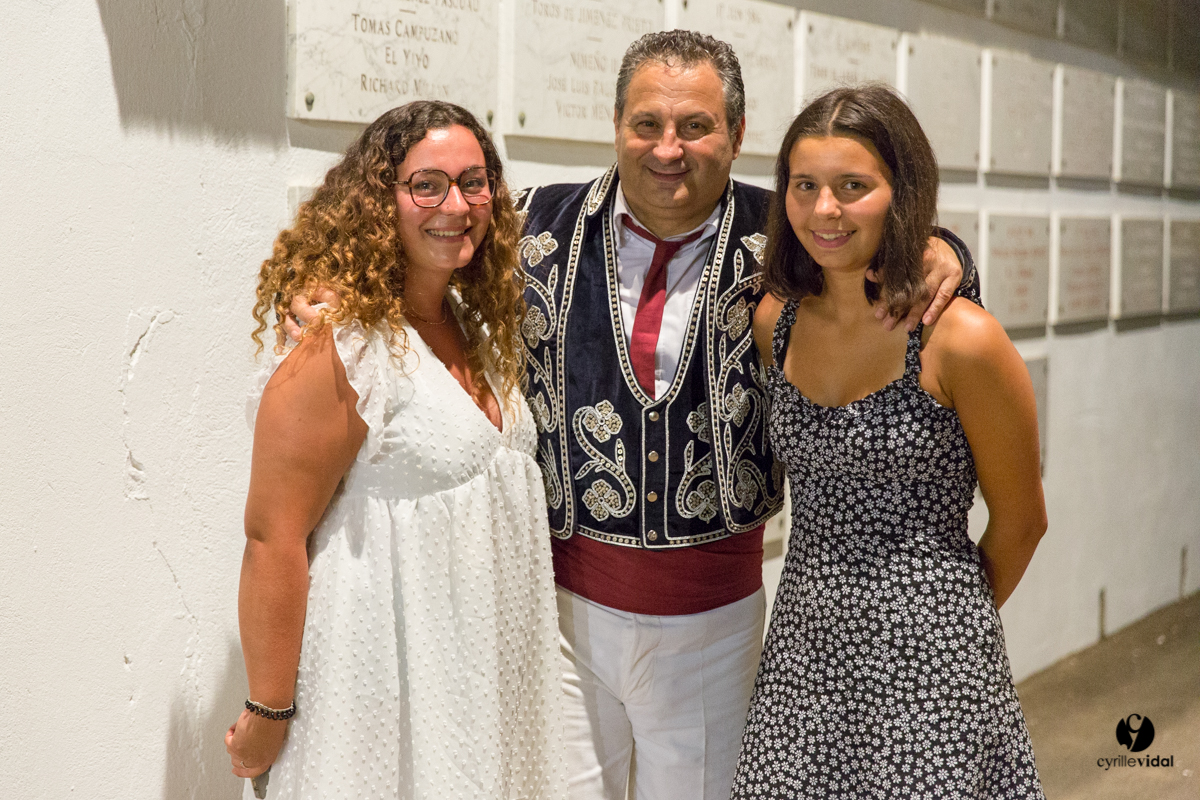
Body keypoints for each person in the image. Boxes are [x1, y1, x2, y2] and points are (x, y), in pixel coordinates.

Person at [289, 31, 975, 800]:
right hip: (559, 621)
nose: (668, 148)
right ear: (615, 126)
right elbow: (420, 247)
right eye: (647, 124)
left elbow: (889, 253)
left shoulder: (791, 240)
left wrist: (946, 248)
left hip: (715, 623)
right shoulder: (534, 225)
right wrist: (324, 288)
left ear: (737, 135)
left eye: (695, 126)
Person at [224, 100, 566, 799]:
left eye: (474, 182)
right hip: (376, 698)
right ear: (381, 201)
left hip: (479, 690)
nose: (456, 204)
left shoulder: (480, 328)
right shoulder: (346, 344)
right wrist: (268, 707)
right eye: (427, 184)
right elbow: (272, 536)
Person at [728, 85, 1046, 798]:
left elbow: (1024, 521)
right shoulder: (775, 322)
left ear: (900, 192)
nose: (824, 210)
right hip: (804, 655)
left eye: (853, 186)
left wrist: (938, 622)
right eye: (804, 186)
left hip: (931, 667)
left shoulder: (958, 339)